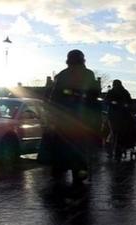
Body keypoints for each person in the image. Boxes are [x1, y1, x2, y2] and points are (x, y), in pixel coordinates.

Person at [46, 49, 101, 184]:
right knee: (81, 145)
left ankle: (59, 168)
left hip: (64, 117)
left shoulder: (63, 75)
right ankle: (79, 172)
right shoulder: (88, 74)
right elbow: (94, 96)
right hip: (82, 117)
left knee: (61, 143)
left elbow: (54, 97)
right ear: (82, 60)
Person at [105, 79, 134, 160]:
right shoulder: (125, 92)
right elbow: (130, 102)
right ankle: (120, 147)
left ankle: (111, 148)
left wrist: (112, 103)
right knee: (121, 132)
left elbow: (106, 101)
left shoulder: (111, 92)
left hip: (113, 115)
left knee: (113, 132)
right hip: (123, 115)